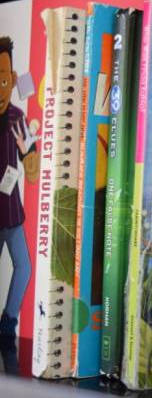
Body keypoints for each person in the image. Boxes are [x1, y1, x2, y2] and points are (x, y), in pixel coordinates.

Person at [0, 36, 39, 337]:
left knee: (23, 268)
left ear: (12, 80)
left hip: (12, 213)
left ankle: (8, 320)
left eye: (3, 80)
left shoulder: (17, 116)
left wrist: (28, 148)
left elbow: (32, 169)